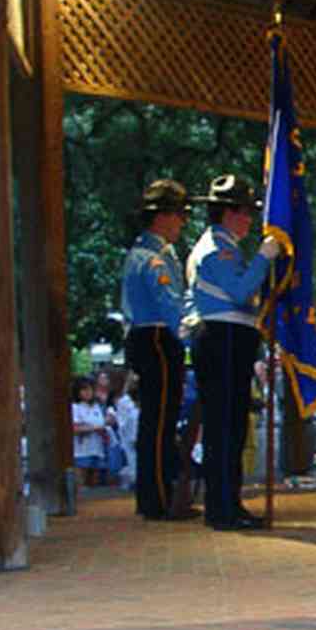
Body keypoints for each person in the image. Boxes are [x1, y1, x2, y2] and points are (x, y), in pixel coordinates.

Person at [187, 174, 279, 531]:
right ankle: (223, 507)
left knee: (230, 425)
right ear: (228, 212)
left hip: (230, 336)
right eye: (244, 212)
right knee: (225, 426)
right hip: (222, 336)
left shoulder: (223, 246)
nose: (249, 220)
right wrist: (263, 258)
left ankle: (228, 503)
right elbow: (241, 292)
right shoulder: (217, 250)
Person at [121, 179, 196, 520]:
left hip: (150, 338)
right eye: (179, 215)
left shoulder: (148, 253)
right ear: (163, 217)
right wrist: (195, 334)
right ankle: (159, 498)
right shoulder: (152, 259)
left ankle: (156, 495)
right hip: (156, 338)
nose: (182, 222)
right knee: (160, 421)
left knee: (159, 420)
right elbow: (171, 308)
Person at [71, 375, 109, 486]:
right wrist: (95, 428)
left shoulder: (97, 407)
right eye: (84, 389)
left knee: (95, 485)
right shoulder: (75, 407)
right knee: (81, 484)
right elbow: (75, 428)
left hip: (98, 449)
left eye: (90, 389)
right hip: (81, 452)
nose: (88, 392)